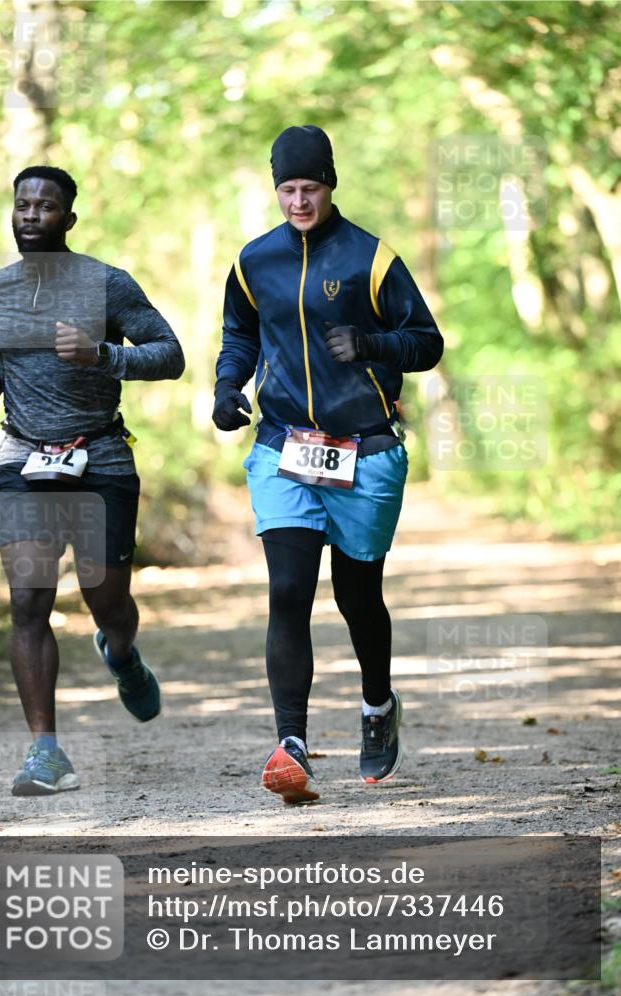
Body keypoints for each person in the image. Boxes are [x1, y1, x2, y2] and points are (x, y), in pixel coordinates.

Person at [213, 126, 443, 804]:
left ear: (329, 184)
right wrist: (226, 386)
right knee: (288, 589)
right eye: (286, 189)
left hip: (365, 449)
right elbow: (240, 334)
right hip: (283, 445)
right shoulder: (255, 261)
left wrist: (372, 344)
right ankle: (290, 743)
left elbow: (426, 342)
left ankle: (376, 705)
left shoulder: (372, 258)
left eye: (309, 188)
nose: (298, 201)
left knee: (356, 595)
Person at [0, 165, 185, 796]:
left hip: (100, 460)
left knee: (107, 601)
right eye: (22, 204)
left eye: (45, 206)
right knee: (28, 601)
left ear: (68, 218)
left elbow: (170, 355)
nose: (31, 214)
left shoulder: (107, 284)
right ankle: (46, 751)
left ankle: (120, 653)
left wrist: (104, 355)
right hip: (24, 461)